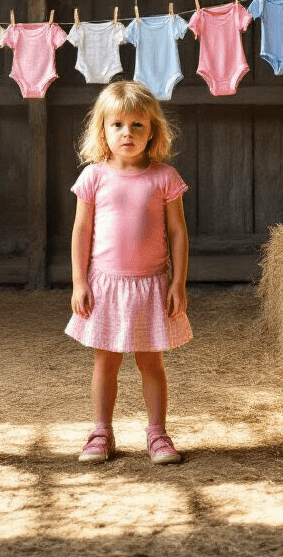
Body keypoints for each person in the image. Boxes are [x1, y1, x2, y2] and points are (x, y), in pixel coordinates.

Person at [65, 79, 192, 464]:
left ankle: (158, 434)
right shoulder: (94, 176)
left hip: (152, 284)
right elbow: (81, 230)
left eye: (138, 125)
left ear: (152, 130)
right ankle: (101, 432)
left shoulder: (164, 177)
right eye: (117, 124)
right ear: (102, 130)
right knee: (106, 360)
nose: (127, 133)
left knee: (151, 361)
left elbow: (177, 232)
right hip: (105, 285)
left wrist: (178, 283)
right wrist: (79, 281)